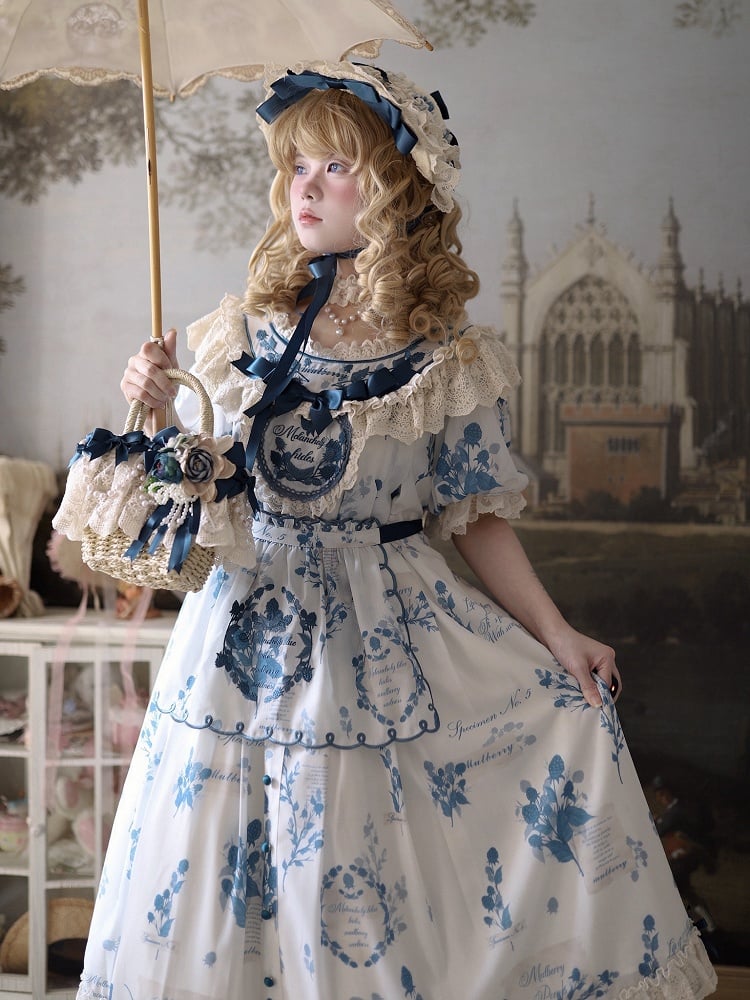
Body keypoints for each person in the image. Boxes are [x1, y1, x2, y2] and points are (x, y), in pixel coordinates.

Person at [75, 63, 717, 1000]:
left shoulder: (446, 353)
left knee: (362, 855)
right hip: (244, 635)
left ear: (391, 188)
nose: (306, 186)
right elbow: (198, 489)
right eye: (297, 166)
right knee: (231, 859)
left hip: (386, 638)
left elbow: (477, 518)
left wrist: (558, 634)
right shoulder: (239, 332)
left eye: (335, 167)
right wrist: (155, 403)